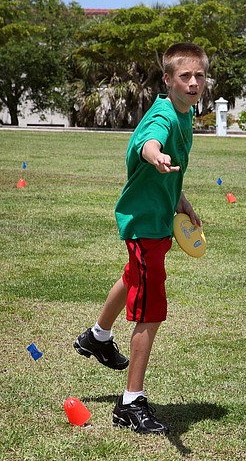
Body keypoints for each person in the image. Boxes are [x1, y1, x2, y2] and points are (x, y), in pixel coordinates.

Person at [74, 42, 208, 435]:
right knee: (151, 311)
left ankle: (97, 337)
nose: (194, 82)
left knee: (134, 276)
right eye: (185, 76)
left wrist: (180, 201)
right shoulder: (164, 116)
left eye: (199, 75)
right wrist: (156, 155)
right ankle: (130, 403)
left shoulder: (186, 114)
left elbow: (171, 171)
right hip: (145, 226)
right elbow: (150, 141)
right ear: (168, 81)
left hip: (157, 220)